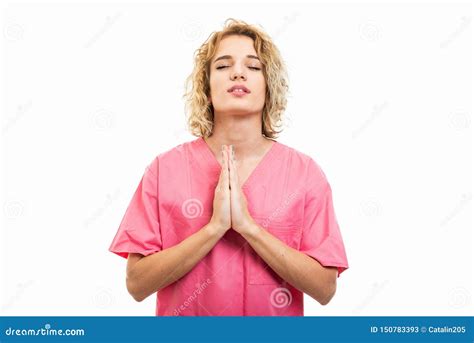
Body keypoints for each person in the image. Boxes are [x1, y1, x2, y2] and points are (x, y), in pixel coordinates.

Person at [109, 18, 349, 316]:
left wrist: (248, 227)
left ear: (268, 86)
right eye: (223, 66)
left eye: (253, 66)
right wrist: (214, 228)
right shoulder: (163, 171)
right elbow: (137, 284)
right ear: (207, 89)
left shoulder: (305, 174)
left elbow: (325, 289)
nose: (237, 73)